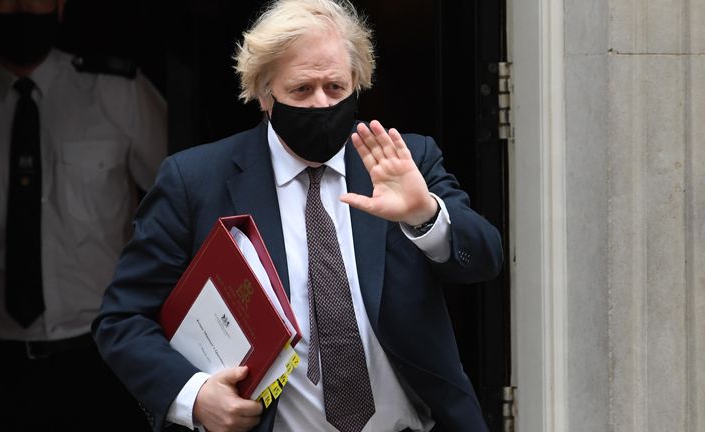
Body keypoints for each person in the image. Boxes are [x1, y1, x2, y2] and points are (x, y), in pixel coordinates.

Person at [92, 0, 503, 431]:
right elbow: (122, 319)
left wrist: (424, 214)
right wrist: (193, 396)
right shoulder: (195, 182)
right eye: (302, 90)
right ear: (265, 95)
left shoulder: (404, 161)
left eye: (335, 88)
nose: (321, 105)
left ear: (357, 84)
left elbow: (486, 258)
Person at [0, 0, 167, 430]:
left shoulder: (116, 90)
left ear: (60, 6)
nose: (21, 9)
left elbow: (183, 202)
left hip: (100, 354)